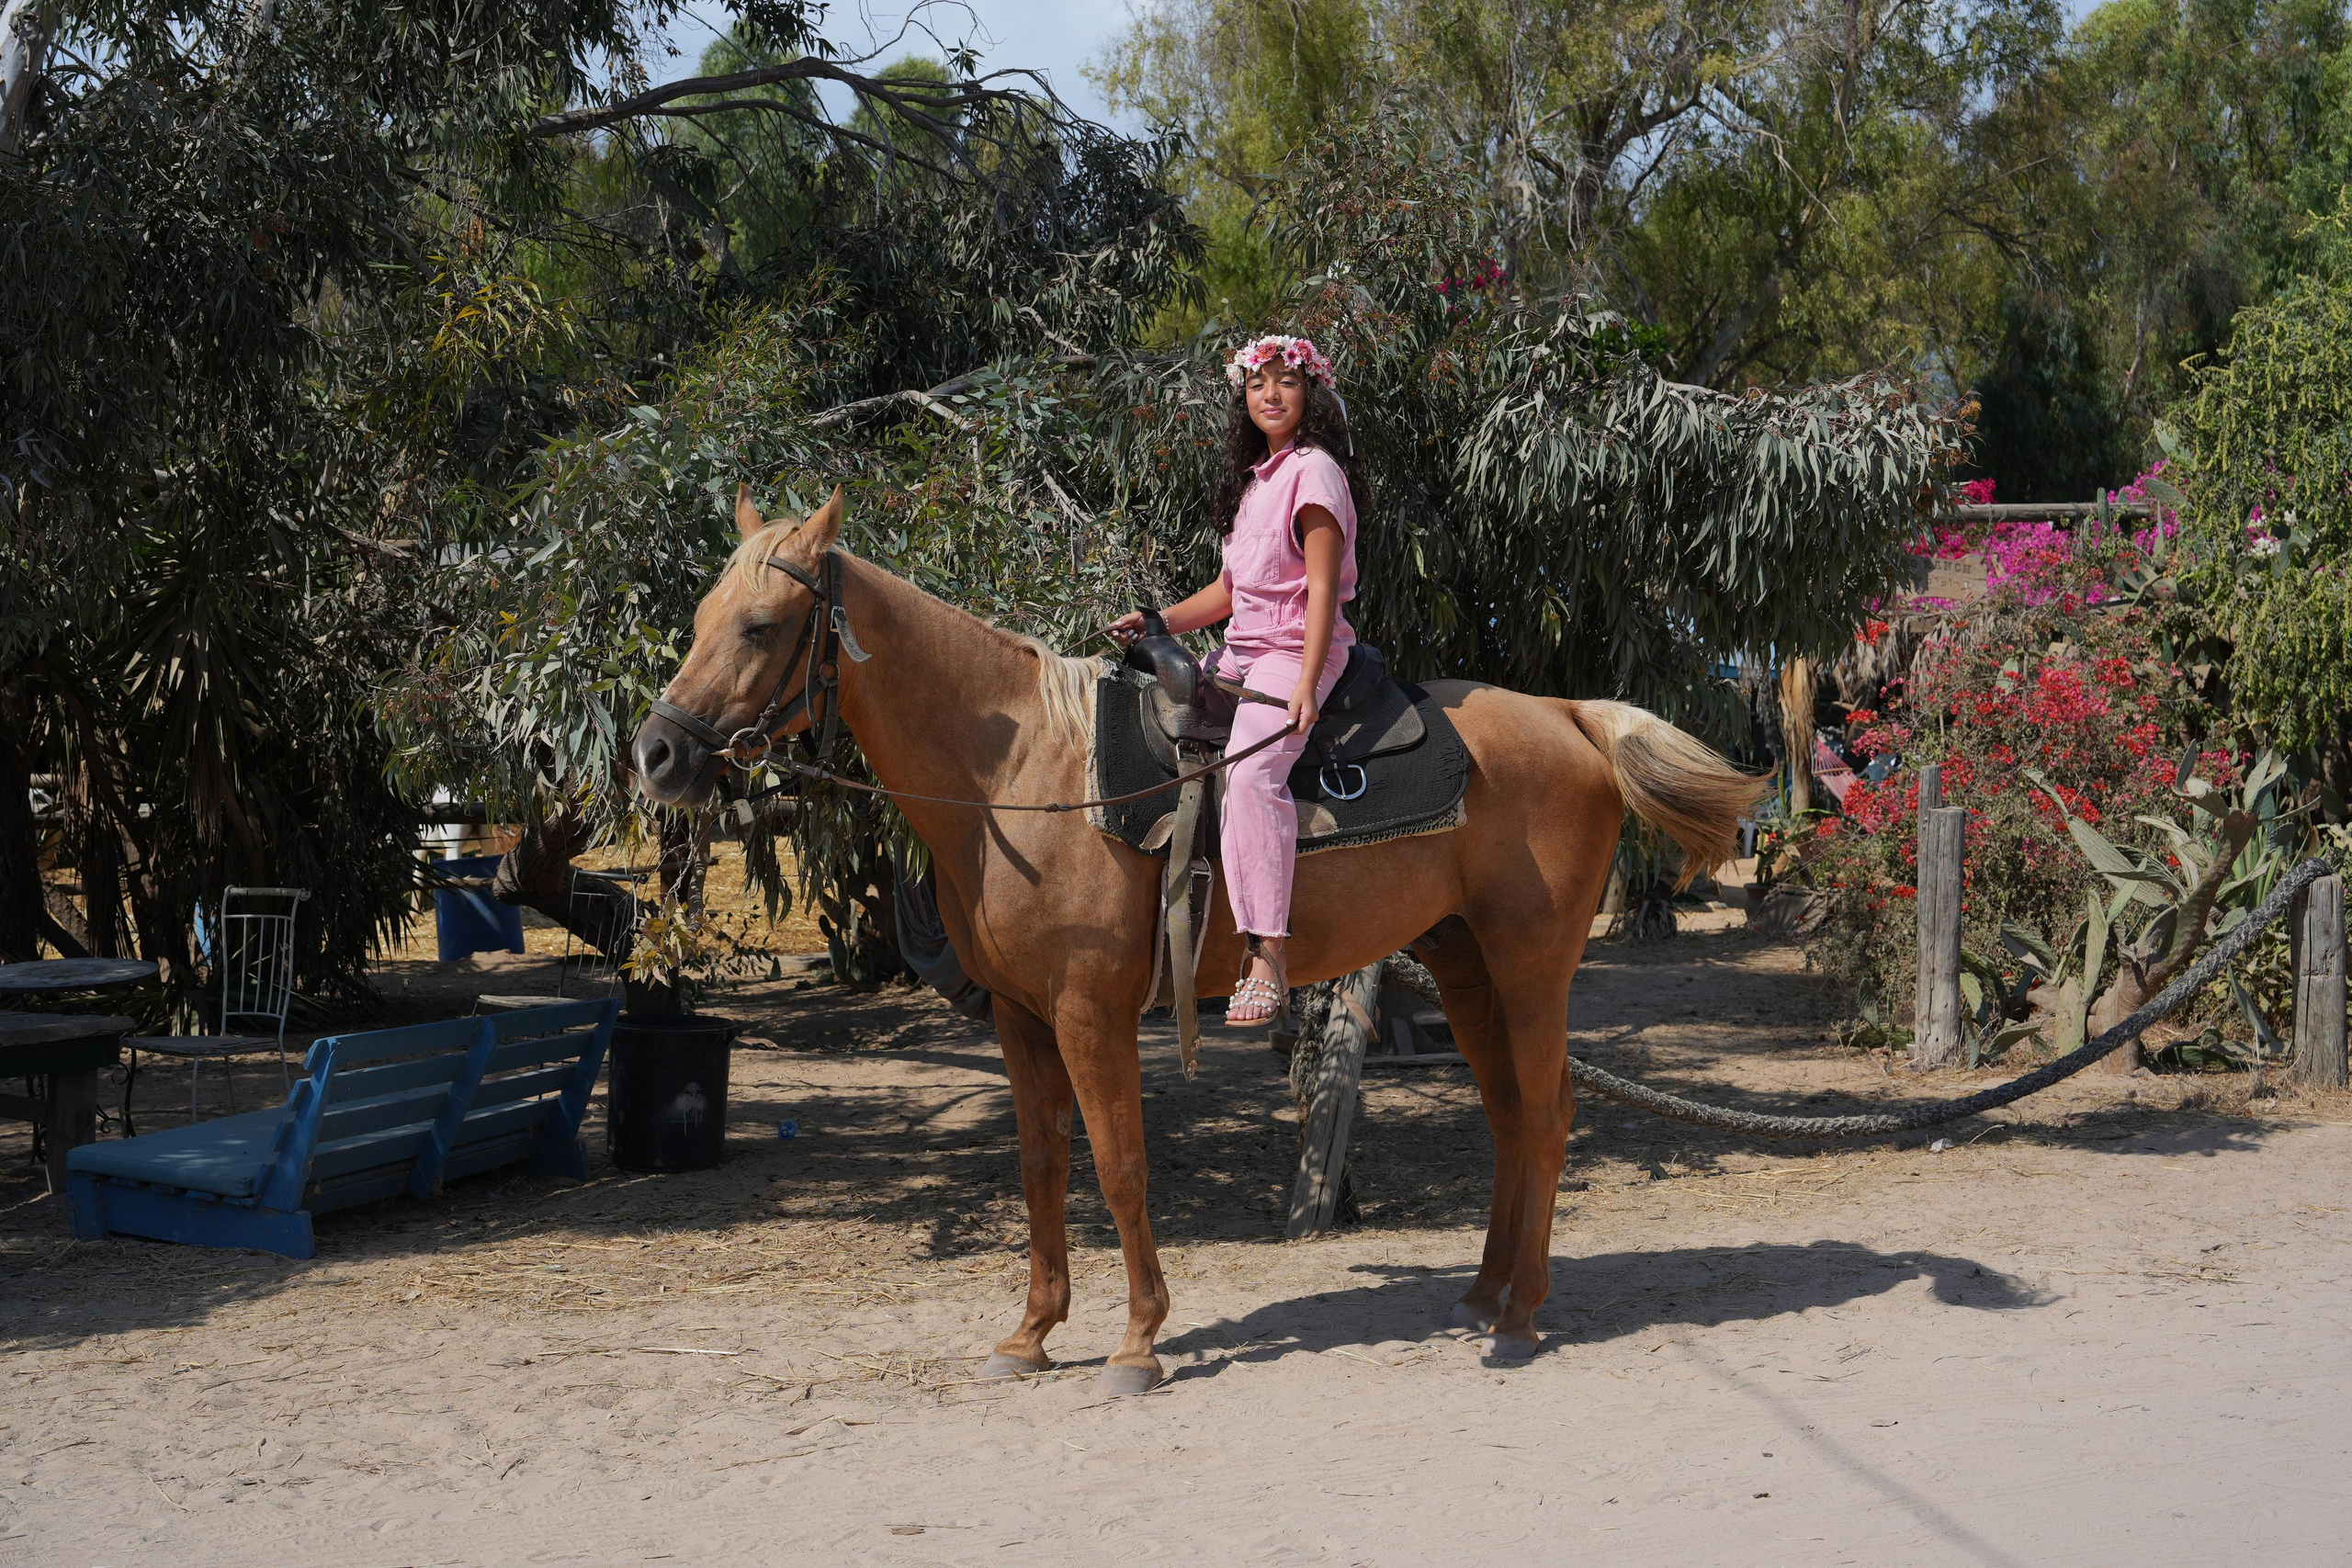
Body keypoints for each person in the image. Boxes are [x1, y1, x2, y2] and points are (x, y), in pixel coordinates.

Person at [1110, 334, 1361, 1027]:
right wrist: (1158, 620)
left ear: (1310, 393)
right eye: (1257, 384)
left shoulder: (1315, 471)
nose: (1270, 394)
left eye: (1286, 381)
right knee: (1157, 727)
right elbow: (1229, 591)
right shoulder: (1254, 481)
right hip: (1240, 651)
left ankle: (1267, 953)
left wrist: (1306, 683)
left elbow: (1319, 589)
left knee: (1251, 774)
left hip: (1295, 652)